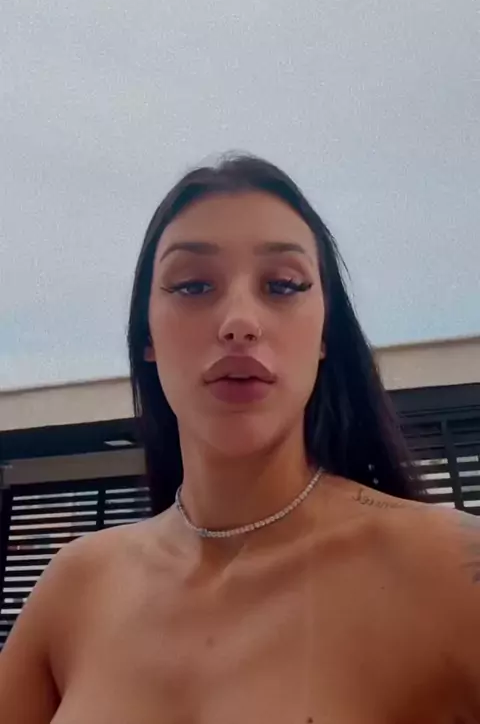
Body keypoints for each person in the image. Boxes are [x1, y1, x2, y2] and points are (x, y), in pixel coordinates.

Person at [0, 152, 479, 723]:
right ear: (146, 335)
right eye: (193, 285)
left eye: (282, 285)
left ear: (325, 335)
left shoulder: (449, 571)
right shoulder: (76, 587)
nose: (240, 323)